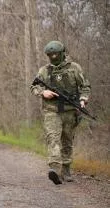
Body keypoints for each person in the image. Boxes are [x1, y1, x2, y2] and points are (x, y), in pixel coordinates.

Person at [30, 41, 91, 185]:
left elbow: (85, 86)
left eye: (55, 54)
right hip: (51, 111)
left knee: (67, 141)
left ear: (62, 53)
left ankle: (66, 169)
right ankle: (55, 169)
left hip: (70, 111)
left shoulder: (74, 68)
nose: (53, 56)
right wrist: (42, 92)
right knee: (53, 138)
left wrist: (83, 100)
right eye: (50, 55)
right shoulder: (44, 71)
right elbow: (33, 86)